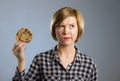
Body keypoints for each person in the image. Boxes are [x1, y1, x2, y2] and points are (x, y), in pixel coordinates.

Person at [12, 7, 98, 81]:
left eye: (71, 26)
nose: (66, 31)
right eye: (61, 26)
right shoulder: (40, 60)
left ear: (78, 29)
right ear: (54, 29)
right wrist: (21, 60)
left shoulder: (89, 64)